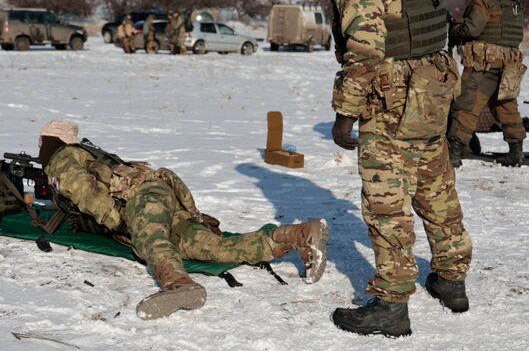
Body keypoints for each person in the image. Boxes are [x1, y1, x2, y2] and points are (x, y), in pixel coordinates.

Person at [303, 0, 472, 337]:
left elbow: (364, 48)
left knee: (387, 203)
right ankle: (451, 280)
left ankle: (392, 304)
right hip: (433, 88)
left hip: (392, 99)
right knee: (436, 189)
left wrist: (346, 113)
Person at [37, 120, 329, 320]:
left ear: (49, 142)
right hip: (164, 195)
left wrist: (118, 222)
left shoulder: (61, 158)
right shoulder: (87, 152)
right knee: (214, 249)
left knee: (150, 239)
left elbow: (83, 190)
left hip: (144, 197)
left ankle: (178, 284)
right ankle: (299, 235)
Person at [447, 0, 527, 167]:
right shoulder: (512, 2)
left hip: (484, 62)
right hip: (510, 62)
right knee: (507, 105)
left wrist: (456, 29)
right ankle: (516, 152)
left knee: (467, 104)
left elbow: (473, 28)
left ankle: (454, 153)